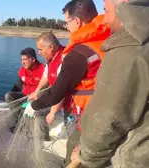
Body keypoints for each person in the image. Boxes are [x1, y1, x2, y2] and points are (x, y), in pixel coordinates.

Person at [23, 0, 111, 165]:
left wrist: (33, 106)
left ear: (77, 21)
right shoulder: (108, 41)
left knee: (73, 149)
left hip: (90, 115)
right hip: (108, 108)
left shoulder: (79, 54)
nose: (66, 26)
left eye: (67, 22)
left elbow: (57, 93)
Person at [70, 0, 149, 168]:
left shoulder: (128, 52)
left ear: (124, 4)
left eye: (106, 11)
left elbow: (108, 119)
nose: (104, 20)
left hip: (128, 159)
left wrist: (86, 156)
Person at [28, 32, 72, 125]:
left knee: (68, 126)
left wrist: (52, 112)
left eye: (40, 49)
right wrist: (37, 91)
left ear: (51, 47)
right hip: (56, 98)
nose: (39, 53)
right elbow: (46, 75)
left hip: (70, 104)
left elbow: (61, 90)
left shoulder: (65, 59)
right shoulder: (51, 58)